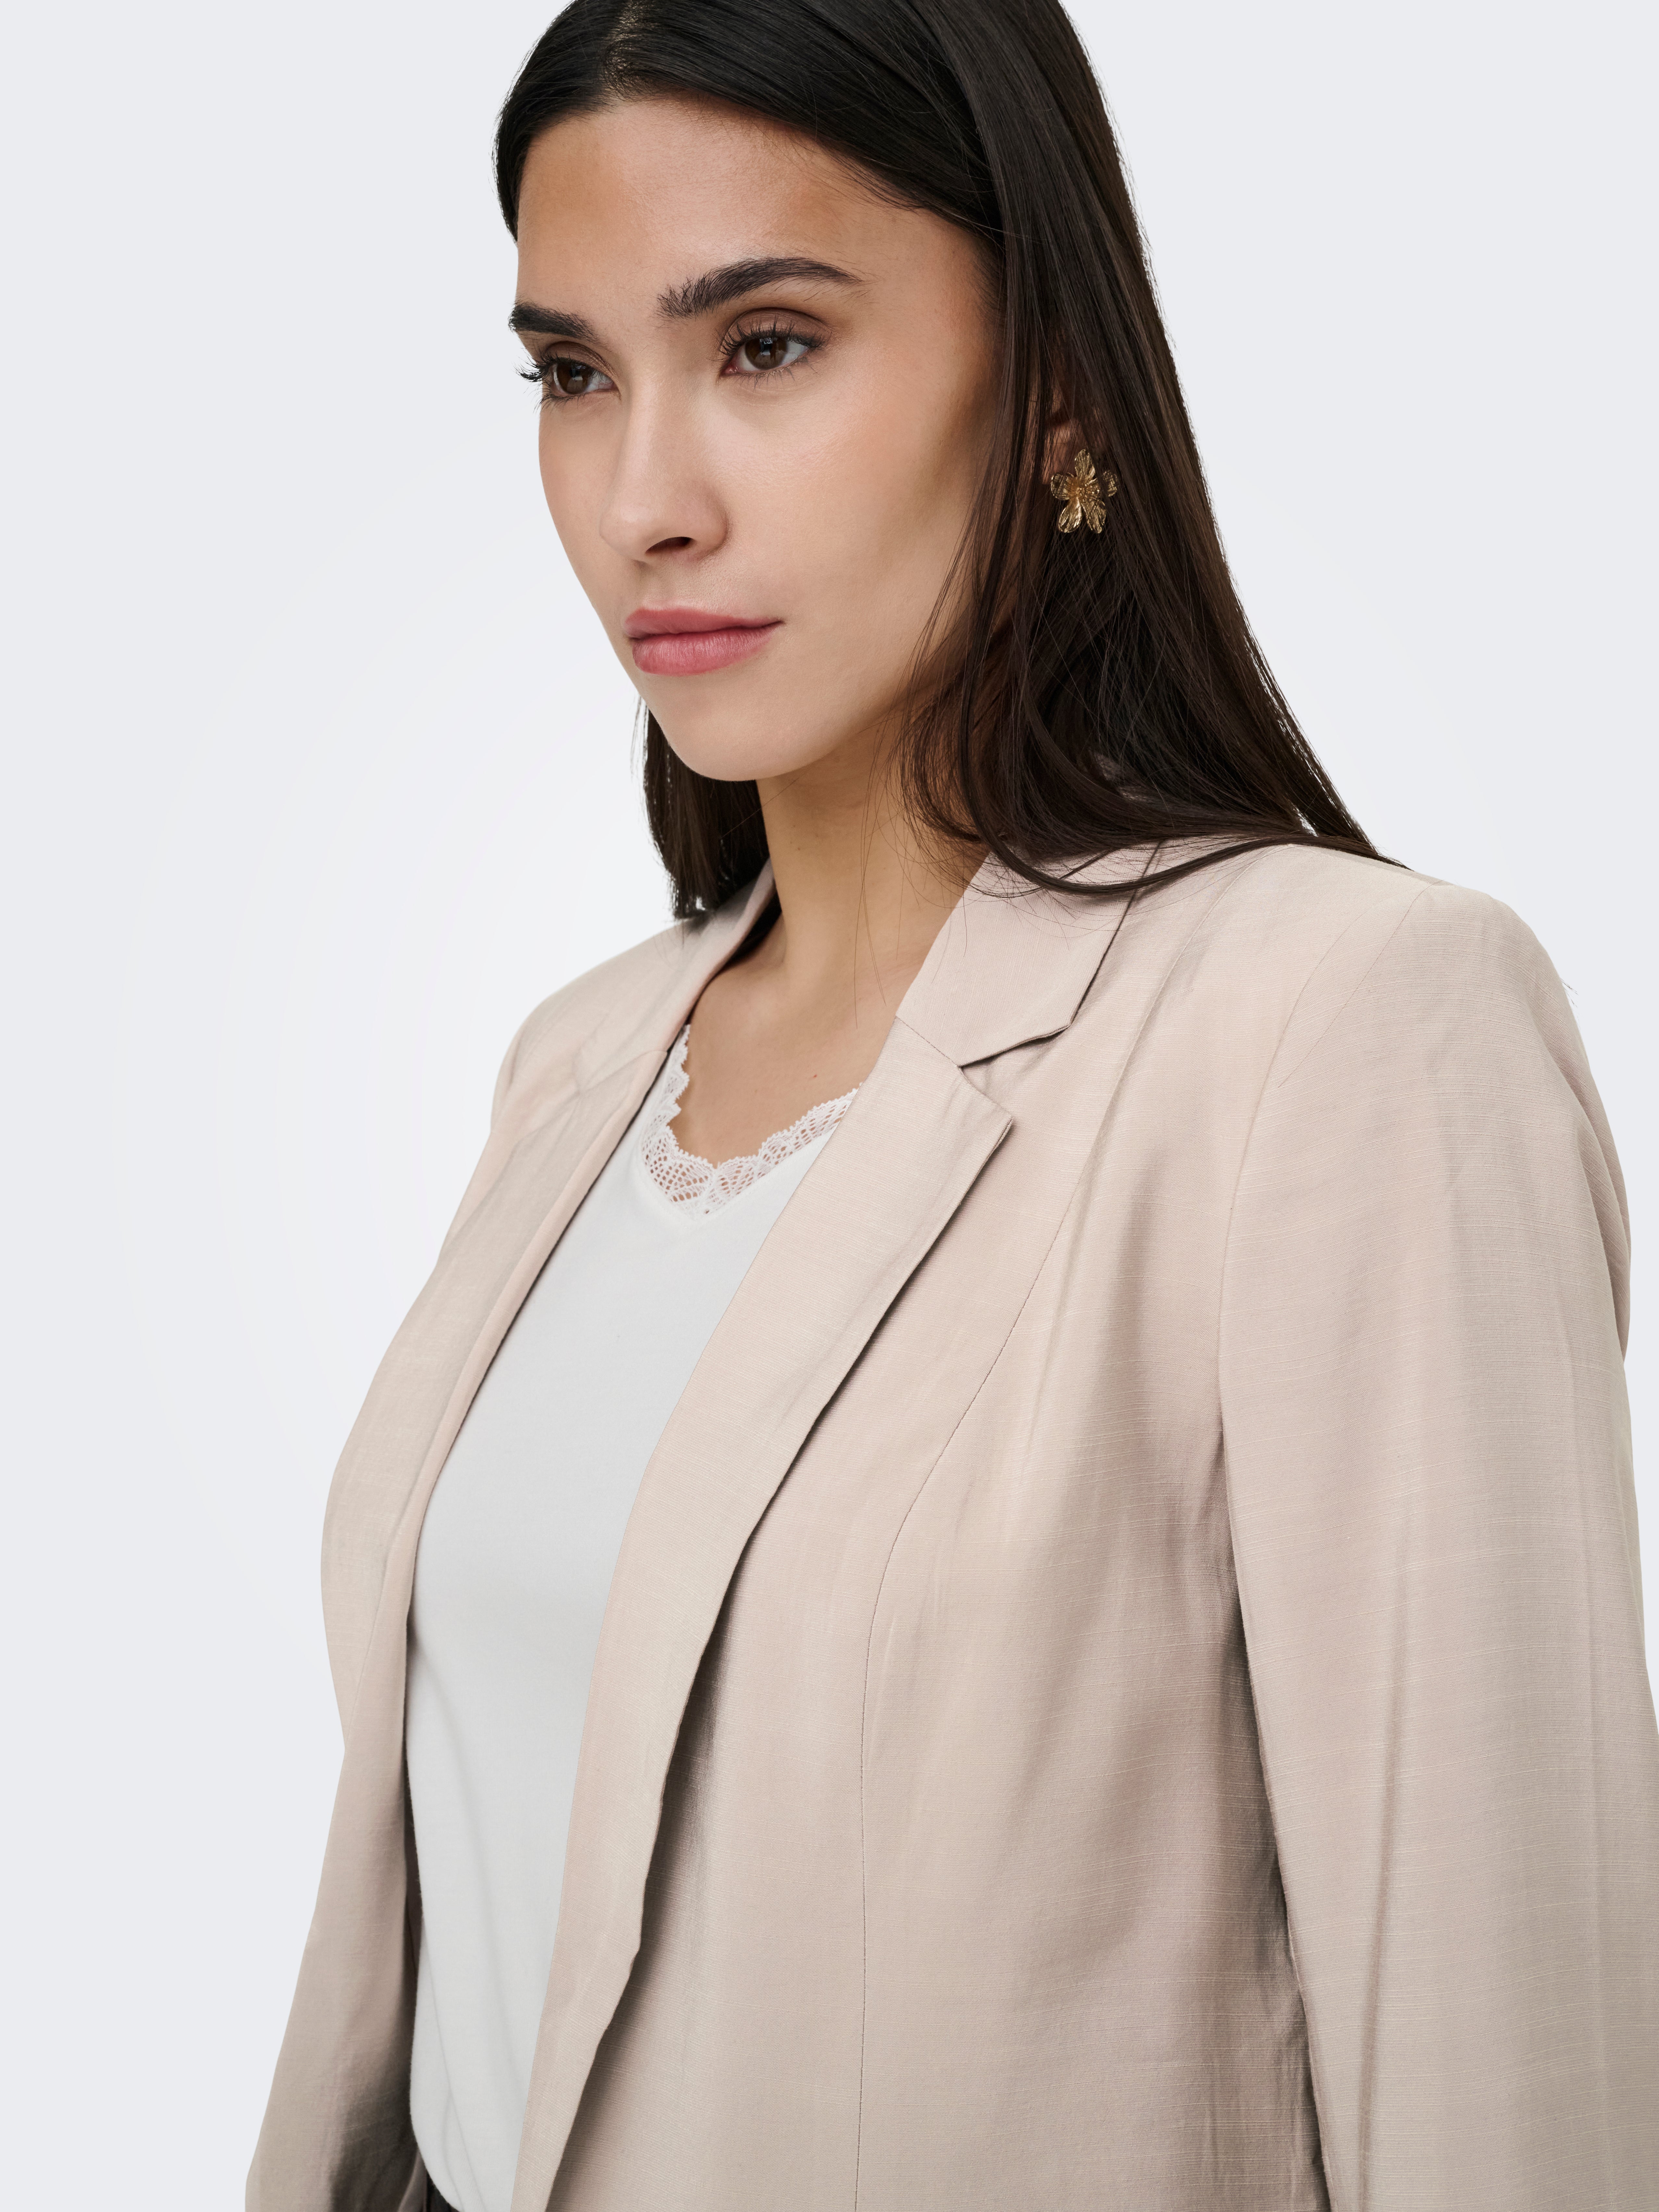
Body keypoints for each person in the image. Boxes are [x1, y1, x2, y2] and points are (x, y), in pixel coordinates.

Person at [249, 1, 1659, 2206]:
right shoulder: (578, 1069)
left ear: (1059, 383)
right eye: (573, 374)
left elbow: (1503, 2077)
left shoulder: (1338, 1031)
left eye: (769, 346)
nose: (644, 501)